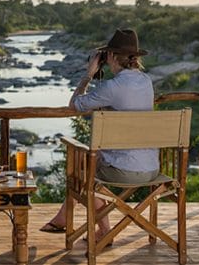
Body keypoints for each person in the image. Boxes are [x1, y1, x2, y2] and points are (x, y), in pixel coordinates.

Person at [39, 28, 158, 241]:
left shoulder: (113, 87)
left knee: (82, 171)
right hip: (152, 169)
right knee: (88, 164)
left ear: (111, 56)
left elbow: (75, 105)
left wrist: (88, 75)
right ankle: (65, 218)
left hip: (124, 171)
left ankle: (101, 229)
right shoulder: (146, 81)